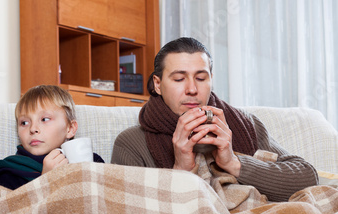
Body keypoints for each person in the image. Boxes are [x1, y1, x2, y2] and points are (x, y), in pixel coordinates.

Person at [111, 37, 318, 202]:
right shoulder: (131, 143)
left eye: (201, 78)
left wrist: (234, 163)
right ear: (157, 84)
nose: (192, 89)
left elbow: (308, 178)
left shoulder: (245, 124)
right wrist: (181, 170)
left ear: (211, 78)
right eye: (179, 79)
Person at [0, 85, 104, 190]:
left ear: (70, 129)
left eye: (44, 119)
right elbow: (13, 210)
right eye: (24, 122)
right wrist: (45, 182)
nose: (33, 128)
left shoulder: (94, 162)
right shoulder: (8, 172)